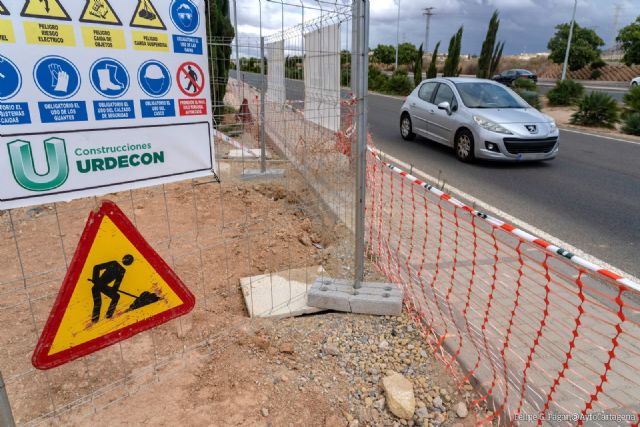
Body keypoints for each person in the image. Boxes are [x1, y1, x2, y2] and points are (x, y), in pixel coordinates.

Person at [89, 255, 134, 323]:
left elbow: (116, 285)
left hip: (103, 287)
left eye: (129, 260)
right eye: (127, 259)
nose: (127, 261)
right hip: (97, 286)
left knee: (116, 296)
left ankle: (109, 315)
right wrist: (95, 279)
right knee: (98, 302)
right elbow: (96, 267)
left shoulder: (122, 270)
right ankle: (95, 319)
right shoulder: (113, 263)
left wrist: (113, 289)